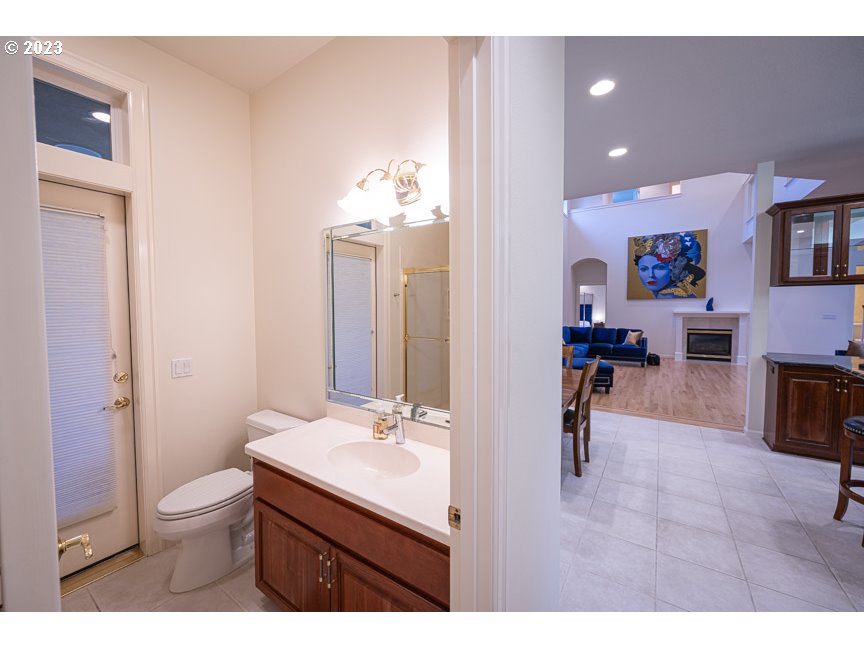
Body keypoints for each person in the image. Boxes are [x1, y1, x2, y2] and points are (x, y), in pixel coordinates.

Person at [633, 231, 705, 298]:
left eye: (660, 267)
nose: (651, 274)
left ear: (673, 269)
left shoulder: (667, 295)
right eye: (644, 269)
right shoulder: (673, 293)